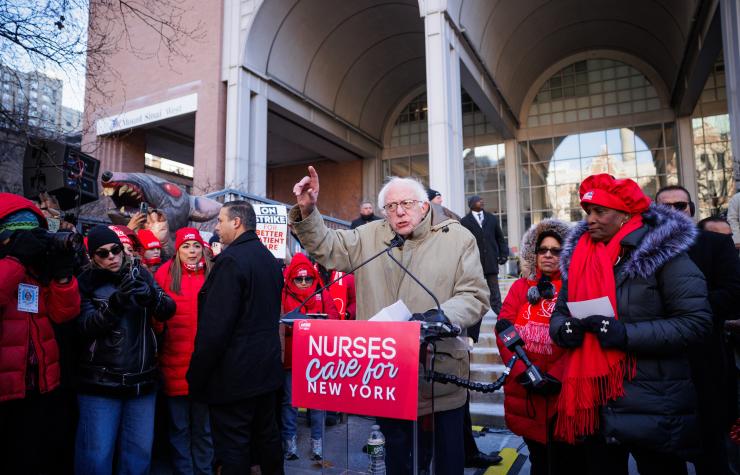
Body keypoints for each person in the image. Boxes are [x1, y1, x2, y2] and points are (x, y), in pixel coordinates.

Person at [290, 166, 489, 474]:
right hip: (387, 377)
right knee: (397, 462)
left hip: (438, 377)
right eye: (391, 207)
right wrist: (308, 211)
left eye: (406, 204)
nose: (399, 212)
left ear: (424, 206)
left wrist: (441, 316)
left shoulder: (458, 238)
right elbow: (327, 248)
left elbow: (474, 295)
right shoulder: (369, 236)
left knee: (444, 463)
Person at [549, 174, 711, 475]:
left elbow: (696, 322)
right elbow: (559, 314)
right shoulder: (579, 256)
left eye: (600, 211)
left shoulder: (664, 254)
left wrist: (626, 334)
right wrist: (564, 330)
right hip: (596, 405)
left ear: (625, 213)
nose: (590, 220)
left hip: (653, 404)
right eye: (587, 212)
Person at [187, 201, 284, 475]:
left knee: (233, 450)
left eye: (220, 221)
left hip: (235, 379)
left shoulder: (231, 261)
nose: (217, 228)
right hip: (265, 375)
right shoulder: (267, 258)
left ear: (237, 222)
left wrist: (196, 376)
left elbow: (215, 330)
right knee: (266, 441)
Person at [75, 225, 176, 475]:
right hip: (101, 384)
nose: (112, 256)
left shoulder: (139, 273)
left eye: (116, 250)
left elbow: (168, 309)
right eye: (103, 253)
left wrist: (151, 295)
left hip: (142, 383)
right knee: (96, 459)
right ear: (92, 256)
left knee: (138, 458)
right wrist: (115, 304)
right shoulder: (85, 282)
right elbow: (85, 327)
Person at [656, 185, 740, 475]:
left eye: (679, 206)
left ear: (690, 210)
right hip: (658, 368)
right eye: (664, 207)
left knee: (711, 456)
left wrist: (688, 312)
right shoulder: (642, 251)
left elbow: (732, 291)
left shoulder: (714, 245)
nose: (672, 212)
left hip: (704, 363)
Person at [0, 193, 81, 474]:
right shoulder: (12, 267)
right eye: (22, 236)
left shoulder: (37, 272)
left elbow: (65, 314)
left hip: (42, 387)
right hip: (7, 392)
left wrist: (62, 275)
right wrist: (14, 260)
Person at [495, 219, 582, 475]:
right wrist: (525, 370)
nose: (548, 255)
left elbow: (582, 337)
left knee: (568, 462)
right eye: (542, 249)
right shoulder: (520, 287)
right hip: (527, 391)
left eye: (556, 251)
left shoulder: (575, 288)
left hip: (563, 391)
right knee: (539, 461)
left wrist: (556, 375)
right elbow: (503, 328)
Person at [154, 228, 215, 475]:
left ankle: (204, 471)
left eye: (196, 246)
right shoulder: (164, 274)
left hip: (204, 369)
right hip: (173, 366)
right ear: (177, 250)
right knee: (179, 429)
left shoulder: (212, 274)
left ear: (203, 249)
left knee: (204, 429)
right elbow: (156, 320)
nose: (192, 252)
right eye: (186, 247)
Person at [280, 252, 340, 461]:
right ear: (291, 278)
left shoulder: (322, 293)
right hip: (291, 359)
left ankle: (318, 442)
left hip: (316, 359)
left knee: (317, 402)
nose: (304, 282)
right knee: (290, 403)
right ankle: (289, 442)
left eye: (308, 278)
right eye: (299, 278)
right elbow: (277, 322)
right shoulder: (282, 293)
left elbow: (334, 319)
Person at [460, 195, 508, 328]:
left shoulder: (491, 218)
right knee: (475, 291)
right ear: (471, 204)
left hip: (491, 262)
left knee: (495, 291)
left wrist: (504, 254)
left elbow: (500, 238)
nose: (482, 201)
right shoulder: (464, 221)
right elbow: (463, 244)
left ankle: (502, 316)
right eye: (478, 200)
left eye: (482, 199)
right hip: (474, 264)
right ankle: (473, 318)